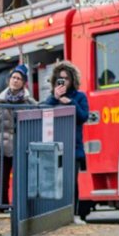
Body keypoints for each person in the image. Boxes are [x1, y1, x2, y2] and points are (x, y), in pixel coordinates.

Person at [43, 61, 90, 223]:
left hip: (73, 146)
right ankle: (55, 215)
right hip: (55, 146)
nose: (63, 82)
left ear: (72, 80)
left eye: (66, 79)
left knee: (71, 182)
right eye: (60, 79)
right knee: (55, 182)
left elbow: (83, 116)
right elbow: (42, 110)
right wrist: (55, 98)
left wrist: (71, 103)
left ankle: (74, 214)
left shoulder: (79, 97)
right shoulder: (52, 98)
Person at [0, 64, 36, 210]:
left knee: (21, 178)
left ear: (24, 83)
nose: (15, 80)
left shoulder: (29, 102)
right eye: (13, 77)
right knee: (2, 178)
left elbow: (36, 120)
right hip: (3, 146)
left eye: (19, 78)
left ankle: (19, 206)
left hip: (22, 145)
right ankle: (2, 206)